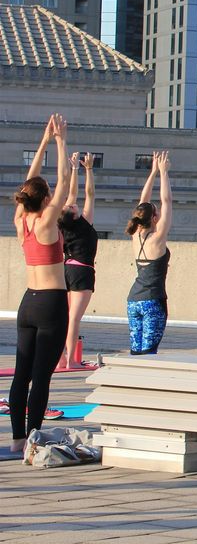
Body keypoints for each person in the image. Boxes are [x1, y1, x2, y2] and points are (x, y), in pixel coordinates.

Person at [9, 114, 70, 456]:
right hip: (50, 304)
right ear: (45, 199)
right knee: (41, 376)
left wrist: (43, 142)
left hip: (27, 303)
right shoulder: (47, 221)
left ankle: (18, 438)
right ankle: (32, 439)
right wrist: (60, 140)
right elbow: (61, 179)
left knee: (21, 375)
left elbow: (30, 183)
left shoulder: (22, 219)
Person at [126, 151, 173, 355]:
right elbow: (167, 200)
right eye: (158, 212)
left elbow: (141, 203)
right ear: (154, 218)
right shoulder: (158, 237)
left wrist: (152, 172)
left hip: (133, 300)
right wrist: (163, 173)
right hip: (153, 301)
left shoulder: (135, 234)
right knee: (149, 353)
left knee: (136, 352)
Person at [59, 151, 98, 369]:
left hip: (65, 269)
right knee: (74, 318)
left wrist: (75, 168)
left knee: (64, 318)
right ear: (74, 214)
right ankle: (71, 359)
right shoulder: (84, 223)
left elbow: (72, 194)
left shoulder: (63, 225)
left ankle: (60, 357)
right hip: (82, 271)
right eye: (73, 206)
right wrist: (89, 170)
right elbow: (89, 194)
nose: (74, 203)